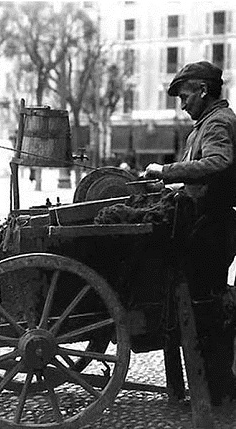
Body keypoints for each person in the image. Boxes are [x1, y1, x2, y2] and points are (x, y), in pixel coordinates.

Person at [144, 61, 236, 405]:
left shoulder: (216, 124)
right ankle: (215, 387)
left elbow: (218, 163)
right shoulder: (206, 124)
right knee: (202, 305)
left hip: (212, 226)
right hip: (205, 222)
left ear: (202, 91)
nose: (182, 104)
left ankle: (217, 390)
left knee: (206, 308)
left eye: (185, 96)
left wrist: (166, 170)